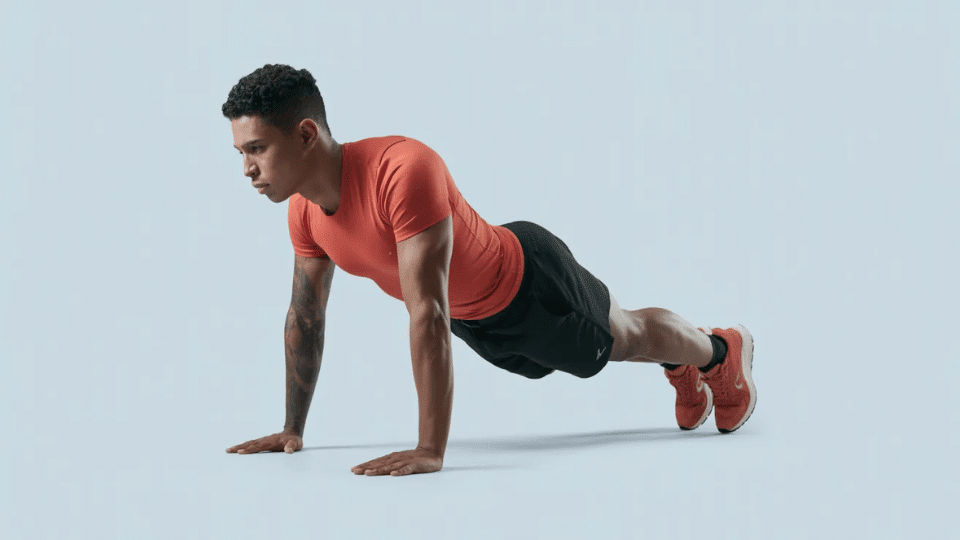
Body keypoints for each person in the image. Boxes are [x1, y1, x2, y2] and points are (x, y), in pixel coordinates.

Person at [222, 64, 756, 476]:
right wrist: (292, 429)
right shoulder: (303, 210)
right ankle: (682, 364)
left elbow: (427, 310)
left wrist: (430, 450)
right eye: (241, 152)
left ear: (307, 133)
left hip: (531, 284)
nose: (247, 169)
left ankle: (718, 352)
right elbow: (305, 316)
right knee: (574, 360)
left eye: (257, 149)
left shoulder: (401, 169)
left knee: (626, 337)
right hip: (476, 321)